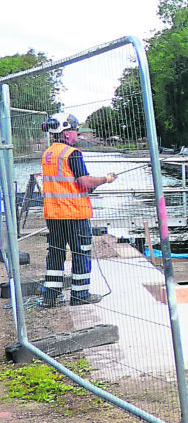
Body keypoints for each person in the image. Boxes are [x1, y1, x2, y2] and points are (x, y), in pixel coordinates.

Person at [39, 113, 116, 307]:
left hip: (54, 215)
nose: (77, 134)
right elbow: (86, 184)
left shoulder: (48, 154)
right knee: (81, 253)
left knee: (55, 253)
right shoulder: (72, 154)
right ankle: (80, 294)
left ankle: (51, 296)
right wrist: (105, 179)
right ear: (65, 133)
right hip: (74, 214)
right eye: (74, 130)